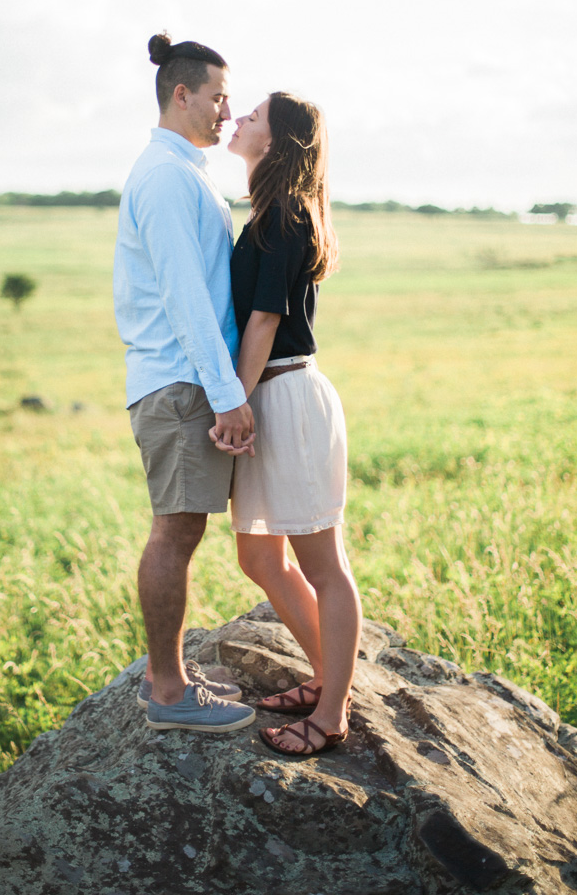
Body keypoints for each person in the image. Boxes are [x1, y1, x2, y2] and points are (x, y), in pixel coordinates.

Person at [113, 32, 256, 733]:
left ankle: (166, 671)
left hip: (181, 377)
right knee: (174, 534)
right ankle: (168, 692)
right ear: (182, 93)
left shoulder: (184, 170)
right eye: (219, 97)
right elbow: (184, 295)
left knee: (183, 531)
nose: (227, 111)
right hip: (179, 382)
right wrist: (227, 392)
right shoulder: (168, 177)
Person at [214, 91, 363, 758]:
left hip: (287, 396)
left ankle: (333, 712)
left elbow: (264, 322)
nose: (238, 121)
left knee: (323, 564)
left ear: (277, 142)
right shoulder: (267, 211)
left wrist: (232, 401)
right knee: (257, 556)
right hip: (268, 396)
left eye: (252, 117)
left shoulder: (286, 213)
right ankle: (330, 678)